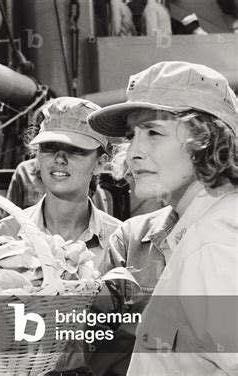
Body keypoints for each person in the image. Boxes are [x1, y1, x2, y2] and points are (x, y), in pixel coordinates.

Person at [87, 61, 238, 374]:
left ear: (208, 141)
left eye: (154, 132)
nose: (132, 154)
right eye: (132, 136)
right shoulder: (204, 226)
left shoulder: (214, 241)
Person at [0, 97, 122, 373]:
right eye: (49, 148)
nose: (60, 159)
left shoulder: (119, 242)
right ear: (36, 156)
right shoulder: (5, 236)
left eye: (76, 150)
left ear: (101, 162)